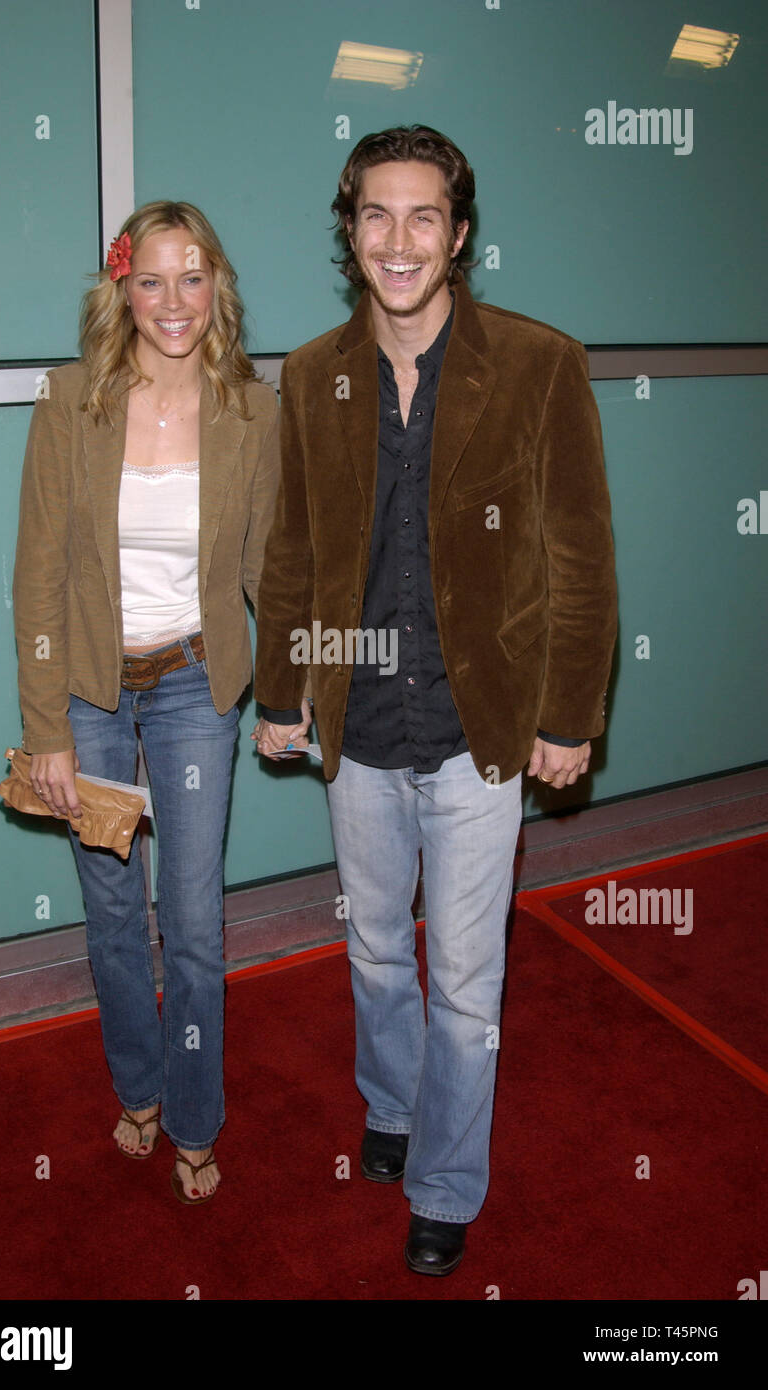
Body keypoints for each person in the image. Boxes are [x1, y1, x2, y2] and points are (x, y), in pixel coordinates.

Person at [252, 127, 617, 1273]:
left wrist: (568, 715)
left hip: (481, 732)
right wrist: (282, 692)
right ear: (348, 230)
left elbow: (580, 559)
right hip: (359, 728)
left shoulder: (540, 363)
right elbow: (298, 547)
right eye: (374, 215)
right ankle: (393, 1105)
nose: (397, 241)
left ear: (459, 235)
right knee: (371, 950)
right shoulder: (313, 374)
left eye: (422, 217)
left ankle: (447, 1187)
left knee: (465, 978)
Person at [13, 200, 279, 1205]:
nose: (174, 302)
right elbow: (37, 573)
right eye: (153, 279)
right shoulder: (72, 400)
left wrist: (296, 688)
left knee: (195, 921)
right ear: (122, 287)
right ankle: (138, 1088)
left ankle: (198, 1117)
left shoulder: (254, 411)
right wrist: (45, 728)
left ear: (219, 287)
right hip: (86, 692)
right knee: (111, 908)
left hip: (191, 687)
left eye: (194, 276)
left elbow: (266, 570)